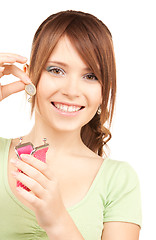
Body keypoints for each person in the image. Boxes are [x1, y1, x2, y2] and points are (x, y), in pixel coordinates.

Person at [0, 10, 141, 240]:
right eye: (56, 70)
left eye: (91, 76)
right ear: (30, 75)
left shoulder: (119, 180)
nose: (72, 91)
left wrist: (58, 222)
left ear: (103, 91)